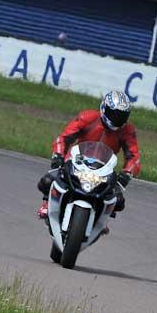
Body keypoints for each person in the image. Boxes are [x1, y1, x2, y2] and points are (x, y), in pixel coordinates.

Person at [37, 91, 141, 227]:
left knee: (118, 201)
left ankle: (101, 221)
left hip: (104, 168)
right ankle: (46, 204)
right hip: (76, 161)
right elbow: (63, 139)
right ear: (104, 108)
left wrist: (125, 175)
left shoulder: (127, 130)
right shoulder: (87, 117)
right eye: (114, 114)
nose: (117, 119)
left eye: (121, 116)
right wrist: (58, 155)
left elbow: (134, 157)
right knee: (48, 180)